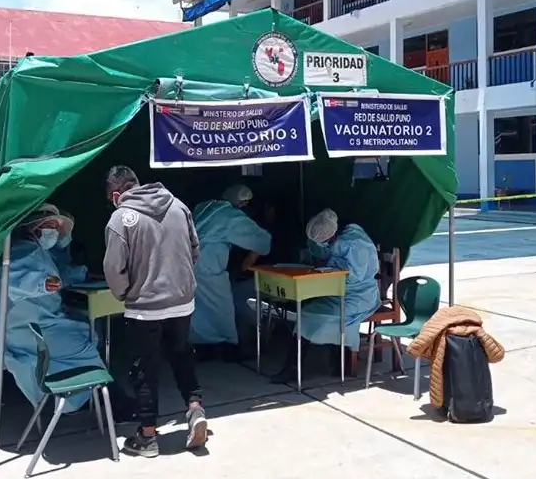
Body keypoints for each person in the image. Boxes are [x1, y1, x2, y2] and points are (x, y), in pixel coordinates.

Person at [102, 165, 208, 458]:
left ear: (115, 194)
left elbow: (114, 268)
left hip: (145, 308)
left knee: (144, 369)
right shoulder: (178, 205)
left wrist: (125, 293)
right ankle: (195, 408)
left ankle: (147, 436)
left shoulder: (121, 218)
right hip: (182, 301)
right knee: (182, 355)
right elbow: (195, 250)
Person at [0, 203, 110, 416]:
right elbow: (16, 279)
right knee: (90, 338)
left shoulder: (35, 250)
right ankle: (90, 398)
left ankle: (85, 396)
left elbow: (58, 277)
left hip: (38, 326)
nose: (53, 232)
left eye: (56, 227)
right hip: (29, 333)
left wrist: (83, 274)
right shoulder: (19, 251)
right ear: (33, 227)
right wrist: (41, 284)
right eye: (49, 226)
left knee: (87, 329)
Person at [272, 208, 381, 383]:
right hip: (338, 293)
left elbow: (354, 277)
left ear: (332, 234)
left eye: (326, 242)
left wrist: (328, 274)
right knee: (308, 310)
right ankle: (298, 365)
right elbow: (324, 254)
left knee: (308, 315)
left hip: (359, 296)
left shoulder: (356, 244)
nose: (325, 244)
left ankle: (294, 367)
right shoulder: (340, 237)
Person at [191, 184, 272, 362]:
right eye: (244, 204)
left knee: (198, 311)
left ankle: (203, 349)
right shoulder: (231, 217)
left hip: (188, 264)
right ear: (239, 202)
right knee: (223, 309)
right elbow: (261, 239)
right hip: (209, 267)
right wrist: (255, 253)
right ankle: (228, 348)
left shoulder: (205, 206)